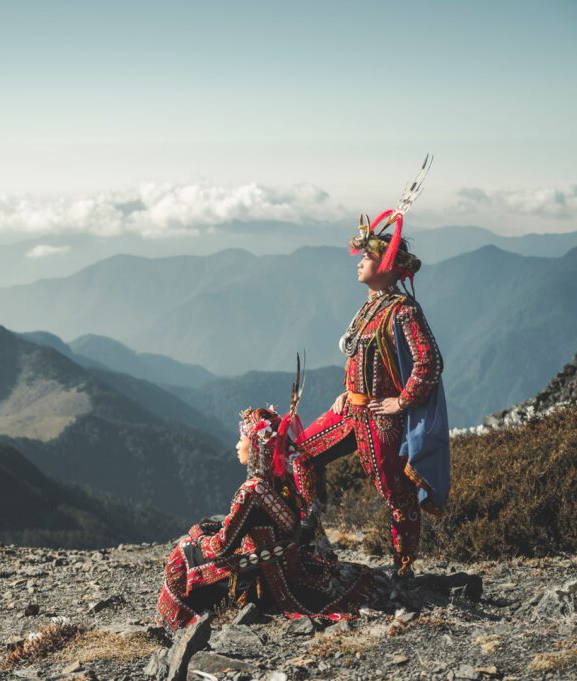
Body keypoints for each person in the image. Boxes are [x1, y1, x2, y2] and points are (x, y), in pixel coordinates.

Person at [291, 155, 450, 579]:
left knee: (397, 494)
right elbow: (362, 356)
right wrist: (348, 389)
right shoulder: (371, 308)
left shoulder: (402, 310)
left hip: (380, 419)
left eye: (365, 257)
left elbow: (429, 361)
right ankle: (314, 544)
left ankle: (403, 571)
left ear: (384, 266)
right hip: (352, 410)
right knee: (301, 456)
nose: (358, 262)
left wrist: (402, 402)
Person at [155, 396, 377, 632]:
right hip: (287, 570)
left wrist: (197, 535)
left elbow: (220, 547)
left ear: (255, 446)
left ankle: (171, 625)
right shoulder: (288, 481)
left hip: (259, 581)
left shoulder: (251, 491)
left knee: (184, 552)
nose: (237, 446)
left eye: (241, 439)